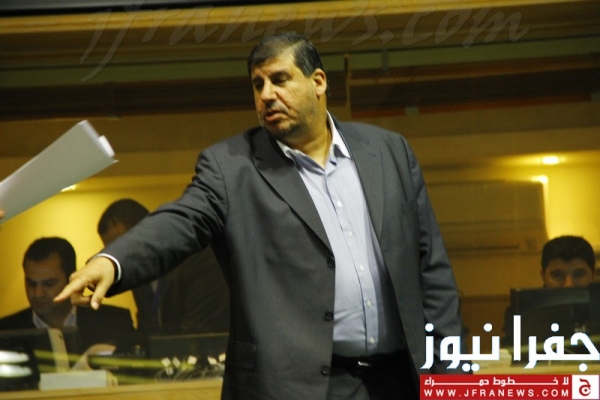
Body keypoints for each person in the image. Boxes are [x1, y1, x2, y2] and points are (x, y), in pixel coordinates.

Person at [56, 32, 465, 400]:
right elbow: (179, 221)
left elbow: (432, 274)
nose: (267, 95)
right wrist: (113, 261)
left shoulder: (389, 152)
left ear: (318, 82)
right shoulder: (232, 167)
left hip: (401, 379)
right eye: (258, 84)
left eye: (280, 80)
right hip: (300, 387)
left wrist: (454, 380)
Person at [97, 198, 230, 336]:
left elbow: (197, 334)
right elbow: (146, 331)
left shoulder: (197, 259)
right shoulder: (137, 273)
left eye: (118, 247)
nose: (118, 257)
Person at [0, 237, 136, 356]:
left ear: (72, 279)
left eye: (49, 283)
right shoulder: (5, 330)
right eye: (31, 284)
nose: (38, 293)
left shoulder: (114, 322)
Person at [502, 235, 596, 345]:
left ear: (593, 275)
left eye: (579, 274)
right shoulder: (523, 312)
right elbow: (512, 350)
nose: (568, 285)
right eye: (557, 275)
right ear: (543, 276)